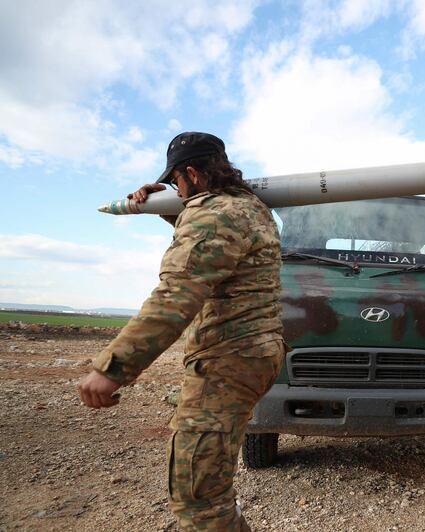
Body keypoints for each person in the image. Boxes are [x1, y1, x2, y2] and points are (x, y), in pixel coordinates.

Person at [78, 132, 285, 531]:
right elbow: (218, 248)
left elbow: (176, 295)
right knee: (208, 493)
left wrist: (112, 368)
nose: (176, 189)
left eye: (176, 182)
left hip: (228, 361)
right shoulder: (249, 208)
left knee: (198, 499)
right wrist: (168, 208)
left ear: (191, 172)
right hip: (253, 355)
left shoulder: (216, 214)